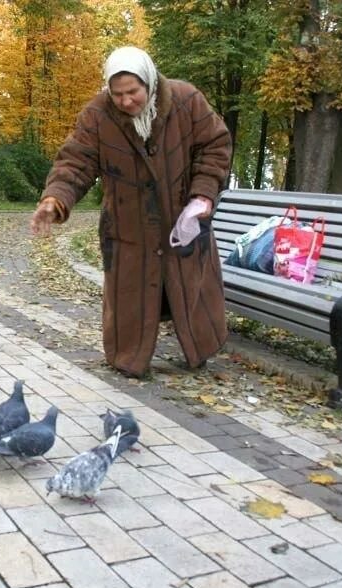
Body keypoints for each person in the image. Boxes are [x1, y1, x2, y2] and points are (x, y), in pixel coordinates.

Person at [30, 46, 232, 377]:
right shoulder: (97, 115)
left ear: (149, 82)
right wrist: (55, 199)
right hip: (128, 224)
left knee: (191, 288)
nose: (125, 102)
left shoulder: (187, 100)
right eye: (117, 93)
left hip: (183, 217)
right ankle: (130, 359)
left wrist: (204, 193)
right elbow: (75, 161)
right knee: (129, 294)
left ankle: (200, 350)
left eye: (133, 92)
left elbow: (215, 145)